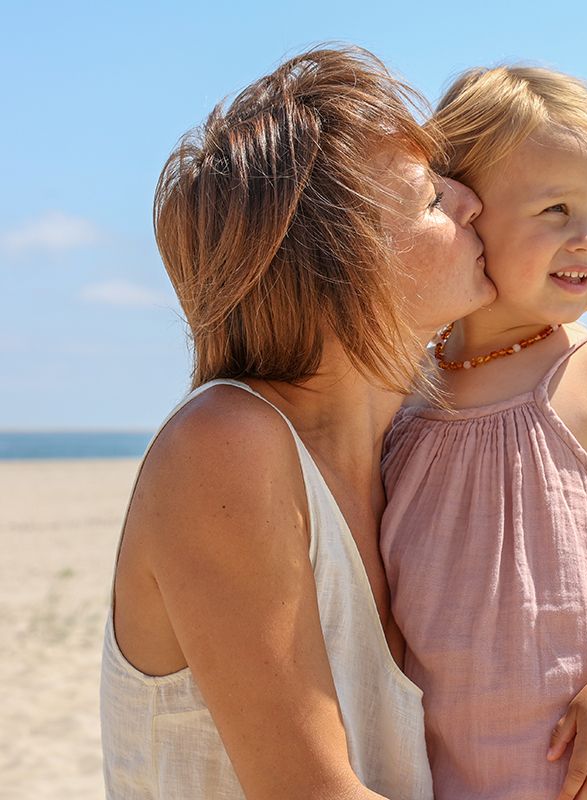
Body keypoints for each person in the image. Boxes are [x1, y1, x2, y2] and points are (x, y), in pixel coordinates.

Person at [100, 46, 495, 800]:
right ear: (345, 263)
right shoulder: (227, 445)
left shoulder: (415, 445)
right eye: (431, 200)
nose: (471, 200)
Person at [380, 66, 587, 800]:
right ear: (464, 213)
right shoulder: (404, 387)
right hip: (439, 752)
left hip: (584, 748)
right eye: (557, 209)